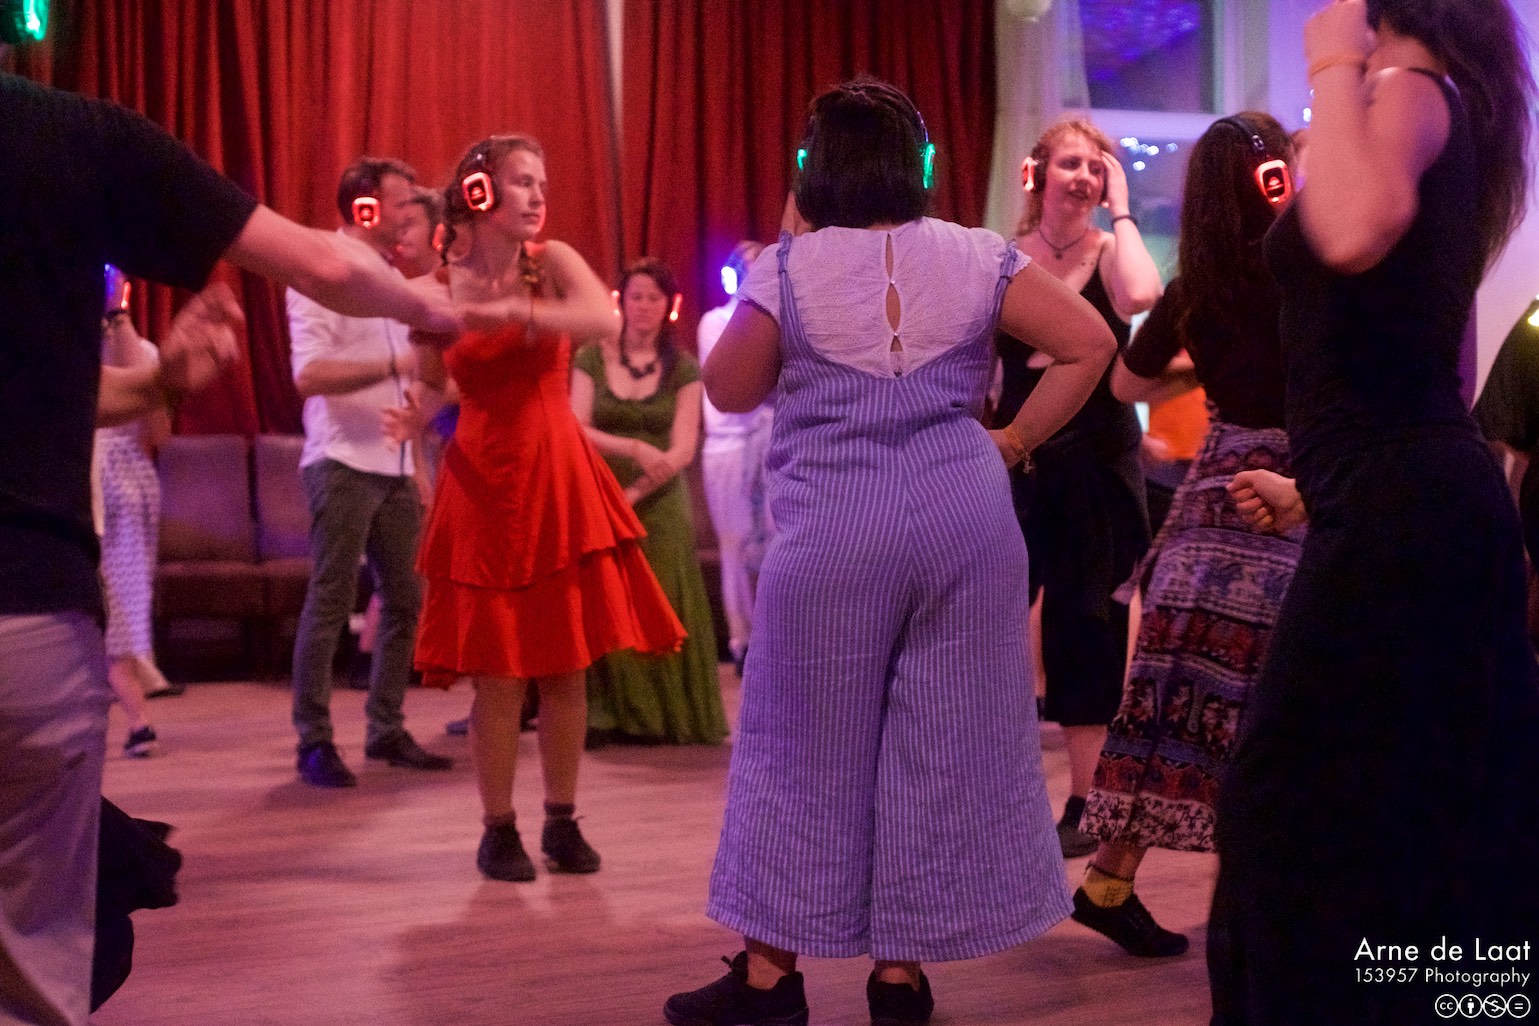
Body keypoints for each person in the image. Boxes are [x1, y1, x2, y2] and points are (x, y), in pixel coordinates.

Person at [0, 70, 458, 1026]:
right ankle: (316, 734)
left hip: (31, 613)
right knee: (35, 955)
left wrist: (157, 383)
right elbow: (320, 269)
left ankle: (377, 726)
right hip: (26, 618)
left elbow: (53, 393)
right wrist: (453, 311)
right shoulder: (63, 134)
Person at [664, 78, 1116, 1026]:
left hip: (836, 532)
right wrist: (1011, 441)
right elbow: (1087, 344)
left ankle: (769, 980)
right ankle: (899, 979)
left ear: (813, 166)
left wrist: (783, 246)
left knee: (800, 748)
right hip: (965, 523)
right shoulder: (978, 253)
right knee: (933, 747)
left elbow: (728, 390)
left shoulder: (790, 268)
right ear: (919, 163)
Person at [1209, 2, 1539, 1022]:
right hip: (1401, 498)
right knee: (1411, 805)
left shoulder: (1408, 87)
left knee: (1290, 803)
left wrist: (1331, 60)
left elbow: (1353, 231)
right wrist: (1321, 491)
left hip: (1402, 502)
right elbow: (1398, 353)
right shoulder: (1430, 98)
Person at [408, 134, 686, 883]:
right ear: (479, 194)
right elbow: (433, 384)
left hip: (555, 476)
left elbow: (601, 319)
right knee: (498, 674)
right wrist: (415, 418)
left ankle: (562, 820)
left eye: (541, 182)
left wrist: (515, 309)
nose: (536, 196)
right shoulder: (437, 287)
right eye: (521, 182)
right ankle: (497, 828)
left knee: (565, 666)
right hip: (480, 482)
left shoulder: (552, 261)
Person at [1069, 113, 1301, 959]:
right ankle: (1263, 905)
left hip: (1208, 502)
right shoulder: (1304, 271)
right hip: (1282, 495)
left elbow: (1126, 382)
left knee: (1172, 702)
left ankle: (1107, 881)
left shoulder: (1195, 286)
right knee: (1271, 705)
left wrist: (1203, 367)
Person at [998, 115, 1164, 858]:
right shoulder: (1008, 259)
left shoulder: (1109, 252)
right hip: (1017, 458)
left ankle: (1086, 801)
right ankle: (991, 792)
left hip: (1096, 464)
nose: (1084, 178)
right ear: (1036, 173)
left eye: (1096, 168)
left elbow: (1143, 294)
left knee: (1084, 627)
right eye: (1070, 163)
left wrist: (1122, 208)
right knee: (990, 617)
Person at [287, 157, 453, 787]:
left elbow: (417, 374)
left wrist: (417, 452)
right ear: (364, 205)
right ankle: (314, 741)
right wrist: (394, 367)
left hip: (394, 461)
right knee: (330, 601)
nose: (409, 212)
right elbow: (309, 376)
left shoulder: (391, 277)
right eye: (400, 200)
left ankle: (385, 728)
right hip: (342, 461)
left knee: (406, 600)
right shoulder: (319, 271)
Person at [572, 258, 726, 746]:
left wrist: (634, 492)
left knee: (658, 598)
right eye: (635, 296)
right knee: (606, 598)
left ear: (669, 306)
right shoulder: (589, 358)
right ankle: (606, 715)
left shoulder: (684, 368)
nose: (642, 306)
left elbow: (683, 449)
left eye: (653, 298)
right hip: (600, 491)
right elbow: (574, 427)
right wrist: (634, 449)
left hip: (657, 497)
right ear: (620, 302)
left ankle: (659, 717)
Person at [95, 273, 179, 759]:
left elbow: (158, 431)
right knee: (103, 605)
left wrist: (118, 319)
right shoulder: (63, 347)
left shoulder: (143, 353)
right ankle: (135, 717)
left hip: (129, 487)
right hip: (85, 480)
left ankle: (133, 716)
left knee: (124, 603)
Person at [697, 241, 773, 676]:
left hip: (769, 442)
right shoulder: (716, 322)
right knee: (736, 545)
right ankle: (742, 640)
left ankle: (772, 636)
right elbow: (740, 382)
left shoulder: (774, 322)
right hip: (729, 447)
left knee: (772, 542)